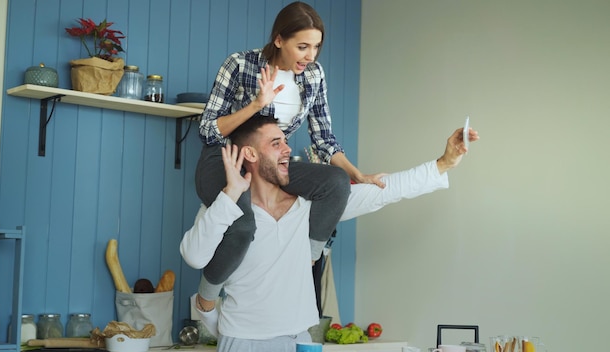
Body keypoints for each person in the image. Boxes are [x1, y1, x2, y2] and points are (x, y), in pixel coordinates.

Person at [181, 114, 480, 352]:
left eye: (286, 141)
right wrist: (232, 192)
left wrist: (444, 163)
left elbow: (383, 193)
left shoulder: (309, 207)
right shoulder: (224, 207)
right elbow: (194, 256)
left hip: (301, 338)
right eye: (275, 143)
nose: (287, 149)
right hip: (241, 341)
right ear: (250, 153)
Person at [194, 1, 386, 314]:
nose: (310, 56)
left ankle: (305, 258)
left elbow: (323, 138)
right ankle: (207, 294)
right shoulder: (240, 64)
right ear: (279, 39)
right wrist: (257, 104)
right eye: (303, 46)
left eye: (316, 47)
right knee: (243, 225)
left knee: (336, 183)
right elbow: (207, 130)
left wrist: (358, 175)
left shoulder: (313, 76)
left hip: (271, 164)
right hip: (226, 158)